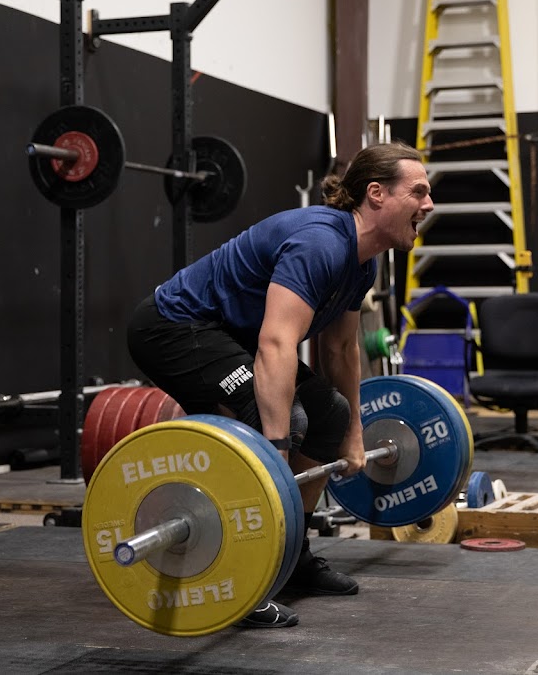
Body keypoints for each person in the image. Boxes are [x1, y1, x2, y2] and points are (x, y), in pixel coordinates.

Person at [126, 142, 433, 628]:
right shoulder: (321, 244)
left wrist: (353, 429)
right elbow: (275, 344)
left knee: (328, 415)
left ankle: (291, 558)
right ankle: (246, 575)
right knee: (283, 421)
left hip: (230, 335)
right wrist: (275, 455)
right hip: (173, 328)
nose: (429, 204)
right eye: (418, 191)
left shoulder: (362, 261)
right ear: (376, 194)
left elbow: (341, 351)